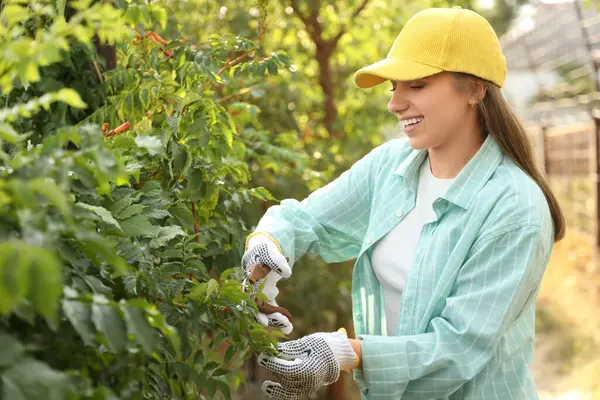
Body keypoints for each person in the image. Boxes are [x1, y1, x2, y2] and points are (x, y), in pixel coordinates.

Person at [241, 6, 565, 400]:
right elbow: (309, 221)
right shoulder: (391, 168)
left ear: (476, 90)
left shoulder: (515, 208)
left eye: (417, 85)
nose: (395, 103)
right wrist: (268, 245)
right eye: (394, 86)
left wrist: (345, 353)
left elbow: (458, 349)